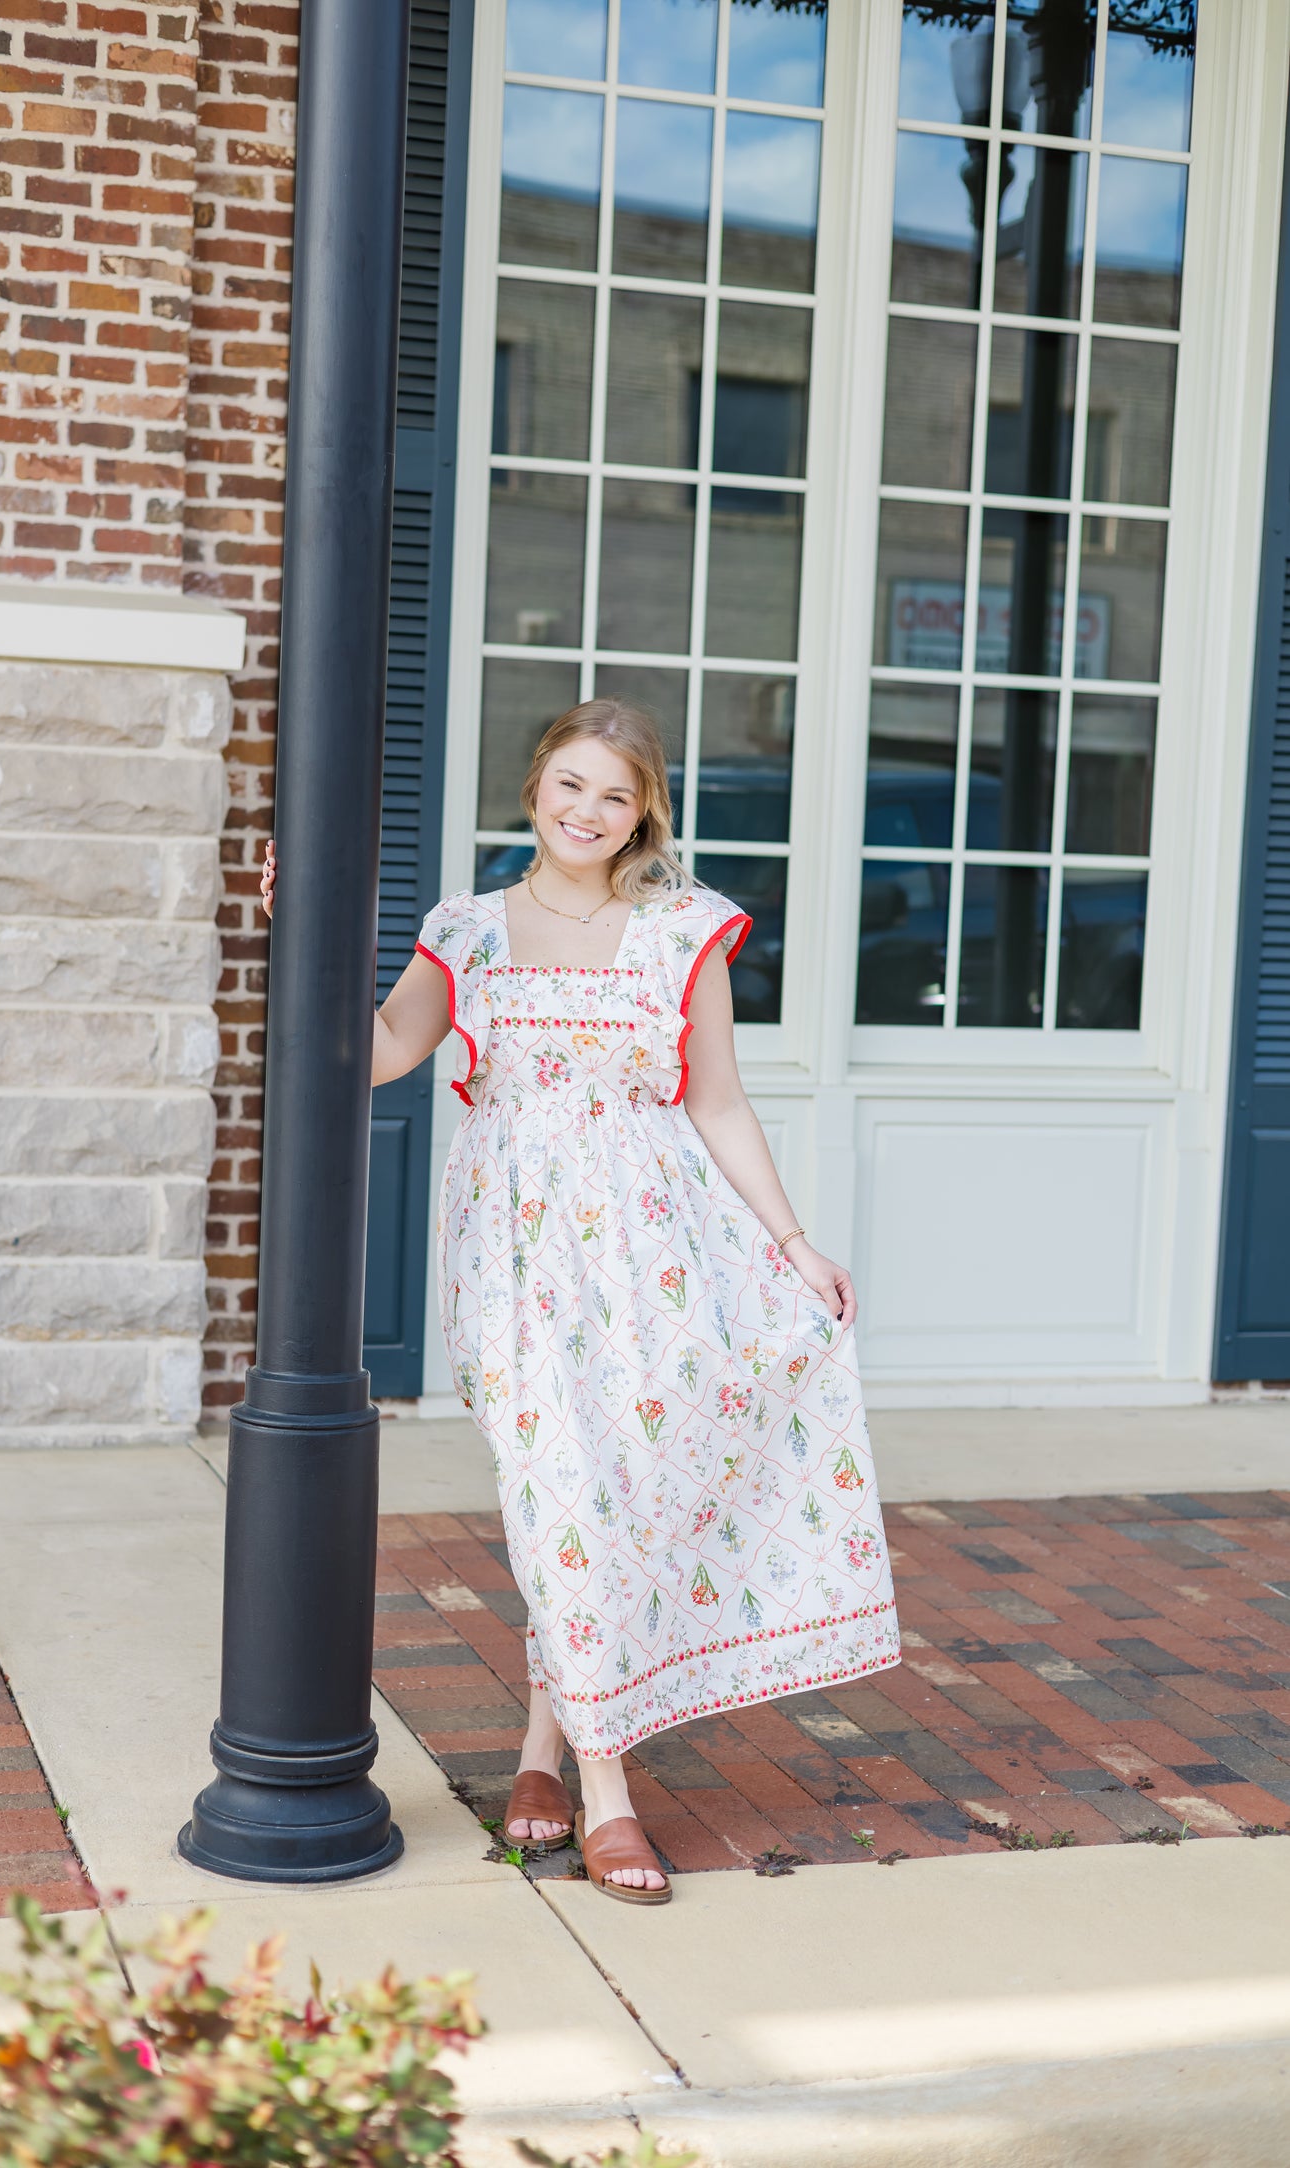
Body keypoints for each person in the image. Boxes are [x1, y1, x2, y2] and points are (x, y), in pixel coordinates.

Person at [261, 698, 900, 1904]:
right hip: (511, 1250)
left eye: (613, 794)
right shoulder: (470, 929)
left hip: (659, 1248)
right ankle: (609, 1798)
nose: (586, 812)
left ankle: (542, 1754)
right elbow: (385, 1049)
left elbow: (714, 1100)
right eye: (568, 784)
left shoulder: (680, 930)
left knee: (614, 1487)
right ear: (532, 789)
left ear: (641, 809)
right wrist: (304, 929)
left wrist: (793, 1242)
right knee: (557, 1477)